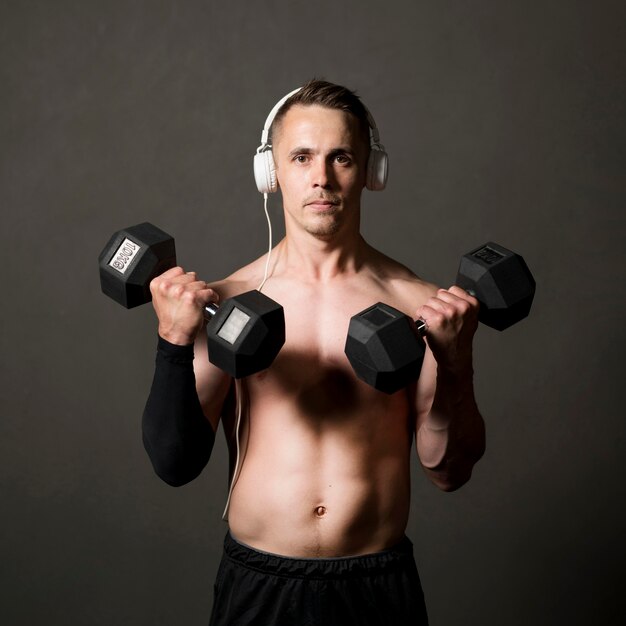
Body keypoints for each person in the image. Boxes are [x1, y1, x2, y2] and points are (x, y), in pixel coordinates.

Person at [142, 79, 486, 625]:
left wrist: (456, 364)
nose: (321, 178)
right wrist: (172, 341)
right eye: (301, 157)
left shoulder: (419, 307)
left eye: (341, 157)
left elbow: (449, 471)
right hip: (259, 584)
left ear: (372, 172)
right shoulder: (228, 304)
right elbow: (174, 463)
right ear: (271, 172)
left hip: (377, 585)